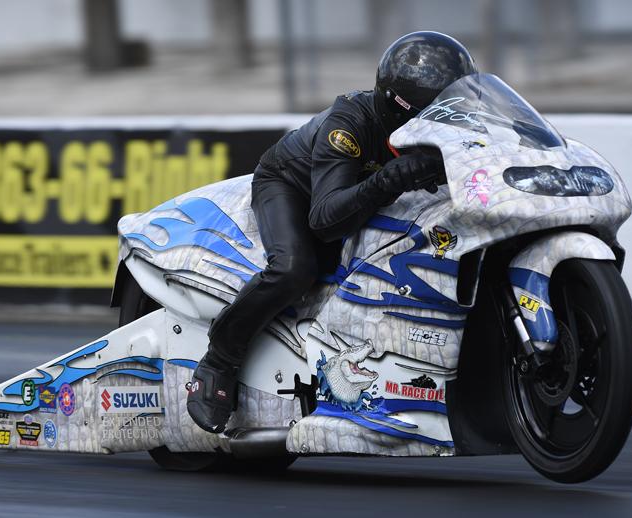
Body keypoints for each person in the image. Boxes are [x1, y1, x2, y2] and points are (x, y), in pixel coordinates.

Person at [186, 31, 477, 433]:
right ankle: (219, 358)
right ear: (403, 110)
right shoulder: (350, 125)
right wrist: (389, 179)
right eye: (435, 111)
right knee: (295, 269)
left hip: (357, 194)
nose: (444, 119)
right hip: (291, 184)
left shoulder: (450, 124)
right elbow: (324, 219)